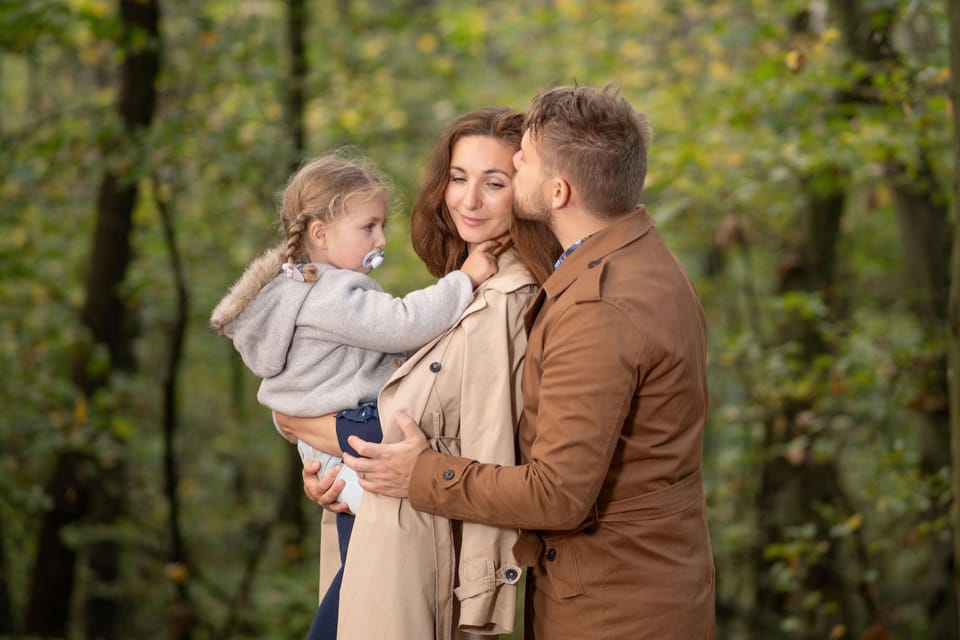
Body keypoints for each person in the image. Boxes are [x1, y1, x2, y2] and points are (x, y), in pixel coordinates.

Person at [341, 85, 717, 639]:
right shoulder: (637, 258)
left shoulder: (598, 306)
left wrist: (417, 472)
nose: (514, 165)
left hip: (614, 613)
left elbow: (557, 494)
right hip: (645, 587)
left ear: (558, 190)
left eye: (524, 162)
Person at [276, 109, 559, 639]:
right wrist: (331, 466)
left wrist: (305, 425)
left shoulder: (506, 299)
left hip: (419, 542)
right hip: (379, 520)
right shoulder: (467, 287)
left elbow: (479, 444)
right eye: (457, 178)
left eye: (494, 183)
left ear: (527, 191)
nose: (468, 200)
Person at [208, 153, 500, 640]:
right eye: (368, 227)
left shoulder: (292, 292)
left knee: (366, 558)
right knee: (384, 562)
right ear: (320, 234)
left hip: (326, 445)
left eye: (381, 225)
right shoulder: (330, 294)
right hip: (356, 428)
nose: (381, 239)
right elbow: (402, 323)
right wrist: (465, 279)